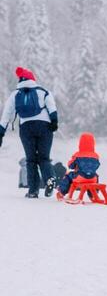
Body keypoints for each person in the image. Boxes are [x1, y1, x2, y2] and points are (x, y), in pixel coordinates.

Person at [0, 67, 58, 199]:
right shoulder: (43, 91)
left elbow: (6, 115)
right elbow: (52, 106)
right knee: (44, 157)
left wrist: (1, 132)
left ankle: (33, 191)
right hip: (44, 126)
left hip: (26, 128)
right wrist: (54, 121)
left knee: (31, 159)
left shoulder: (15, 94)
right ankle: (50, 178)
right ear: (33, 79)